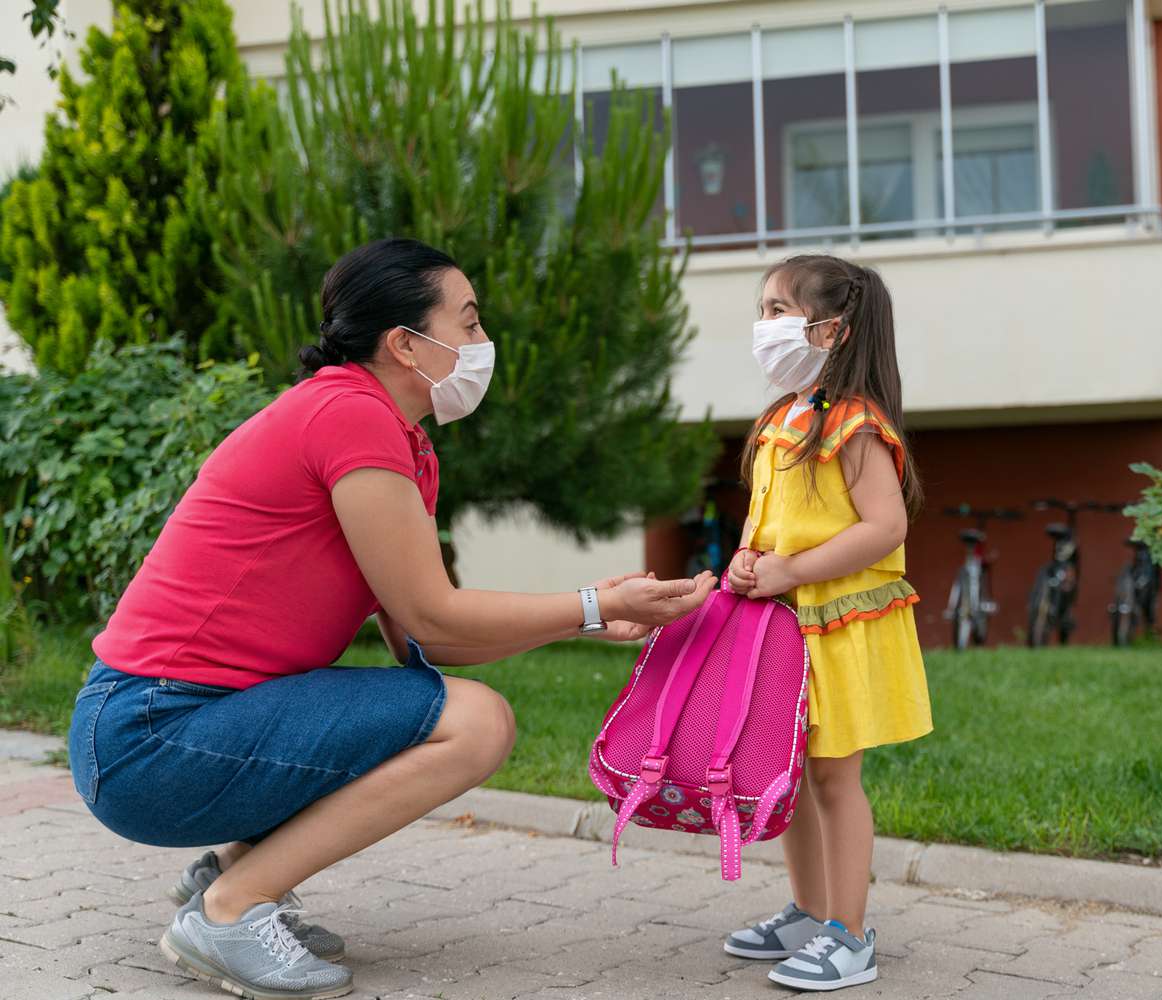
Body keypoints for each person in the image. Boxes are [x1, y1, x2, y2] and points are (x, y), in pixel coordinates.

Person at [66, 237, 715, 1000]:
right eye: (468, 323)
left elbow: (427, 640)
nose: (482, 344)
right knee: (475, 724)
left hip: (174, 725)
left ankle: (234, 876)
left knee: (440, 712)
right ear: (405, 344)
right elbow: (431, 611)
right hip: (147, 734)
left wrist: (585, 620)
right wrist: (595, 602)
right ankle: (229, 911)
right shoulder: (347, 415)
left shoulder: (397, 441)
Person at [721, 255, 931, 991]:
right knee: (792, 776)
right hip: (785, 625)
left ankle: (849, 935)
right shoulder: (784, 418)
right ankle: (810, 914)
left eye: (778, 309)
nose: (765, 323)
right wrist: (747, 561)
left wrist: (792, 571)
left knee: (836, 779)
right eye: (765, 307)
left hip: (837, 626)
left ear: (832, 330)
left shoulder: (855, 425)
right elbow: (766, 518)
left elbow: (884, 527)